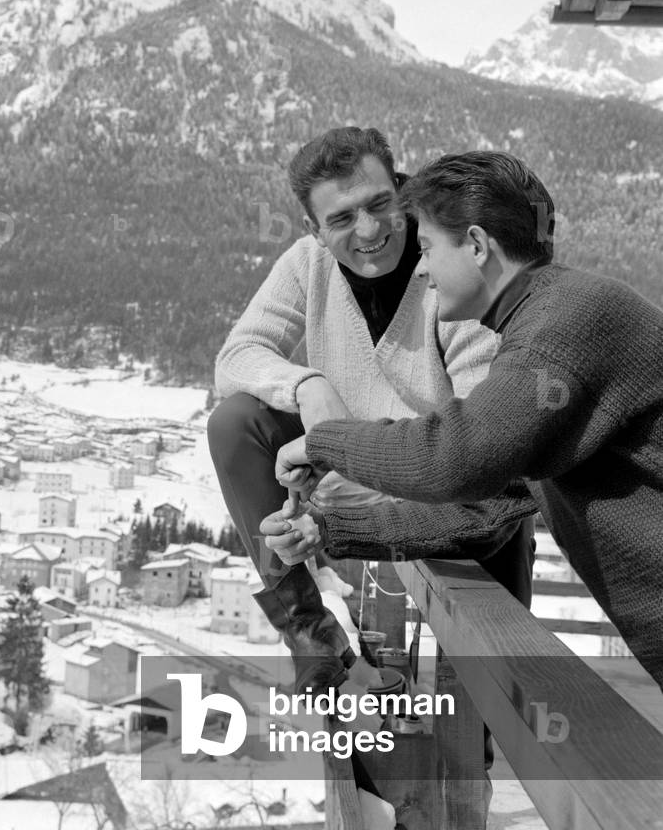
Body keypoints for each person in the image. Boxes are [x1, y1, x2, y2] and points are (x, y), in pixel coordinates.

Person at [268, 150, 663, 688]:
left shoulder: (565, 327)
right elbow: (482, 512)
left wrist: (325, 443)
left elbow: (451, 461)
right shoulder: (545, 322)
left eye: (427, 248)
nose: (422, 269)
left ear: (477, 246)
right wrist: (327, 528)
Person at [208, 128, 537, 695]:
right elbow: (237, 356)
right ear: (313, 230)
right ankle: (310, 636)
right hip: (350, 462)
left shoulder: (453, 263)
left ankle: (481, 735)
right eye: (341, 219)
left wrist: (368, 470)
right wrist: (307, 386)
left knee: (485, 672)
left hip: (449, 469)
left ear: (402, 194)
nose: (369, 231)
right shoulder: (308, 263)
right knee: (236, 422)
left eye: (380, 204)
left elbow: (485, 441)